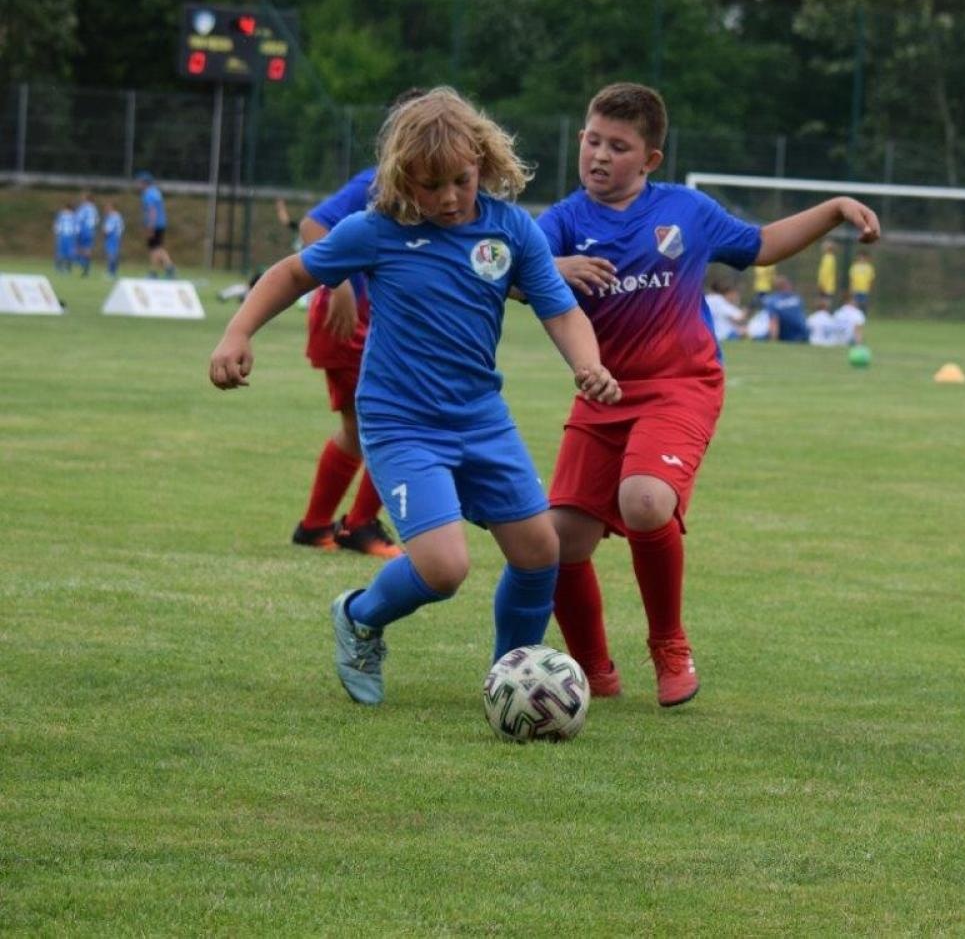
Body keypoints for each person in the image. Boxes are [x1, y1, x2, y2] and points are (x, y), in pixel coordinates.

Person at [208, 87, 621, 707]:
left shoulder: (511, 230)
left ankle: (510, 682)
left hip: (481, 417)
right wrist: (237, 332)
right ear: (404, 178)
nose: (449, 197)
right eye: (431, 186)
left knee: (541, 551)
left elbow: (560, 312)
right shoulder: (377, 230)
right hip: (402, 424)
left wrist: (588, 365)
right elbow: (293, 272)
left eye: (460, 179)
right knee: (444, 568)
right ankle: (359, 615)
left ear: (482, 160)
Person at [536, 82, 879, 707]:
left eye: (618, 146)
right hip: (602, 395)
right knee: (561, 540)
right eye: (591, 141)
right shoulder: (558, 224)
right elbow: (502, 272)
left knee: (644, 500)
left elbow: (763, 244)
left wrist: (833, 208)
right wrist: (548, 269)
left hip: (680, 387)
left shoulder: (687, 212)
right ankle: (592, 671)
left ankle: (669, 645)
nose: (599, 156)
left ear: (650, 161)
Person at [288, 163, 405, 559]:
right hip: (348, 322)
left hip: (369, 322)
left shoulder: (433, 189)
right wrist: (336, 283)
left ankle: (318, 525)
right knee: (393, 422)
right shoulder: (376, 182)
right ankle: (358, 525)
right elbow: (312, 226)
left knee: (364, 427)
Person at [136, 171, 175, 278]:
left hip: (155, 224)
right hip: (161, 223)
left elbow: (152, 210)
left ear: (145, 183)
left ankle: (165, 268)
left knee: (155, 248)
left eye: (139, 182)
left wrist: (150, 226)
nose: (138, 185)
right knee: (156, 248)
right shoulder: (156, 192)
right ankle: (161, 269)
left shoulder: (148, 194)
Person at [760, 275, 809, 342]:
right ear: (787, 285)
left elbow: (774, 321)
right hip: (803, 334)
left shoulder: (772, 301)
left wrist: (773, 340)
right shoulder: (797, 298)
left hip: (786, 336)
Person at [74, 192, 98, 276]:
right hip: (91, 230)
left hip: (83, 230)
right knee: (88, 249)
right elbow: (96, 220)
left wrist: (77, 231)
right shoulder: (94, 208)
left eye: (83, 197)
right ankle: (87, 268)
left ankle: (81, 264)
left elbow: (78, 219)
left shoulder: (83, 207)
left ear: (86, 198)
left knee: (79, 248)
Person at [53, 202, 77, 274]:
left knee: (61, 252)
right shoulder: (73, 216)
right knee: (69, 253)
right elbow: (76, 228)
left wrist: (57, 233)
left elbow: (57, 226)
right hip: (70, 236)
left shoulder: (61, 214)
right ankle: (67, 268)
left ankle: (59, 267)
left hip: (62, 235)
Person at [101, 201, 124, 278]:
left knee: (111, 254)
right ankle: (113, 272)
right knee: (114, 254)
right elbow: (121, 227)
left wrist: (104, 232)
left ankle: (111, 272)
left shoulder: (112, 217)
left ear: (111, 208)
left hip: (112, 237)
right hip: (116, 237)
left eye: (107, 208)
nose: (105, 209)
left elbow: (107, 230)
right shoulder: (118, 216)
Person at [817, 239, 838, 305]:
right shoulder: (831, 258)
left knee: (825, 304)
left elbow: (825, 273)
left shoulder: (828, 258)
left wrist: (822, 284)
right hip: (829, 286)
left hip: (826, 286)